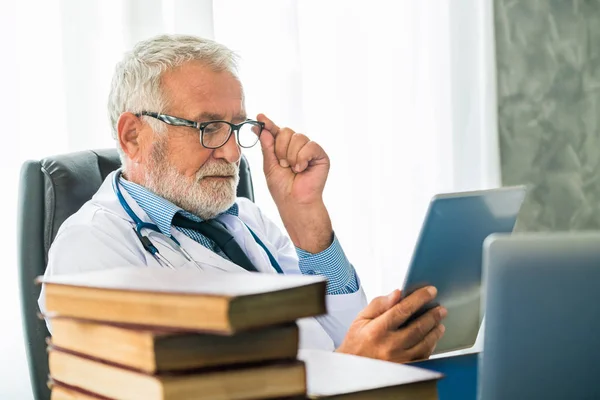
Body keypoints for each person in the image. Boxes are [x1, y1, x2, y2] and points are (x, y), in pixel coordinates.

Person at [38, 34, 446, 362]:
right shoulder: (90, 251)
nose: (232, 152)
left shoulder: (246, 218)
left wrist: (306, 220)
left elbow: (339, 337)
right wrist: (354, 370)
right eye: (208, 127)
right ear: (133, 135)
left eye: (236, 127)